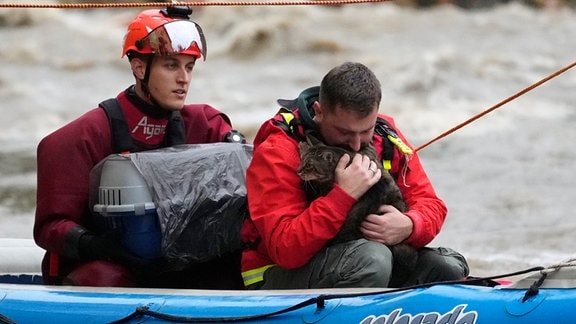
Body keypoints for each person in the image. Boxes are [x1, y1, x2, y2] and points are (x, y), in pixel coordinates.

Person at [33, 6, 245, 288]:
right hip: (108, 267)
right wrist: (99, 247)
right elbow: (50, 227)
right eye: (171, 65)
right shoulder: (80, 137)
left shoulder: (206, 125)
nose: (184, 79)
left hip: (177, 261)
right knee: (105, 278)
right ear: (139, 67)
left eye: (189, 67)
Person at [241, 62, 469, 289]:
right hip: (275, 275)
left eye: (365, 131)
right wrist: (343, 195)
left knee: (447, 266)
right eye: (344, 132)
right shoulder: (279, 149)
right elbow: (285, 249)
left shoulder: (384, 135)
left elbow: (431, 203)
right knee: (372, 260)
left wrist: (409, 225)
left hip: (364, 259)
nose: (356, 143)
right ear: (319, 112)